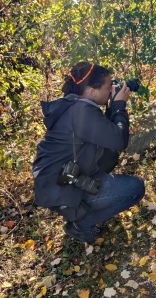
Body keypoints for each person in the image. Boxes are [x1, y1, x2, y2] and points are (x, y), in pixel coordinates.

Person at [33, 62, 145, 243]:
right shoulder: (82, 111)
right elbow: (119, 140)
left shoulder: (75, 105)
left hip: (60, 180)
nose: (111, 91)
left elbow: (108, 139)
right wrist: (118, 107)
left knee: (109, 156)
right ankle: (82, 223)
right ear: (92, 90)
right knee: (136, 187)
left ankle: (86, 206)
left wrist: (113, 107)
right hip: (62, 188)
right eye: (109, 87)